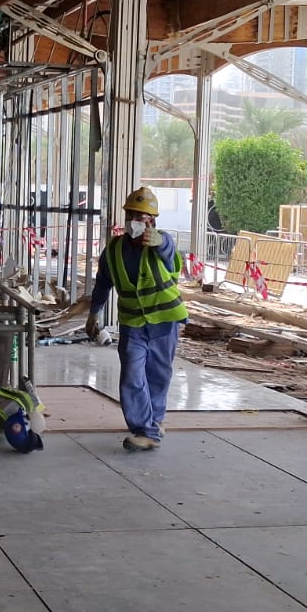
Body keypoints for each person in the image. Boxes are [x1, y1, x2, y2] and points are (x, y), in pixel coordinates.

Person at [86, 187, 188, 451]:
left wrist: (159, 242)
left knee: (158, 374)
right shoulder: (113, 251)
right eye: (132, 213)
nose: (135, 219)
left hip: (165, 320)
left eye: (141, 216)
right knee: (132, 374)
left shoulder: (160, 242)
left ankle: (154, 420)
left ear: (151, 220)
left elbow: (169, 251)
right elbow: (102, 284)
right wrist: (93, 314)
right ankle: (146, 431)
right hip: (133, 324)